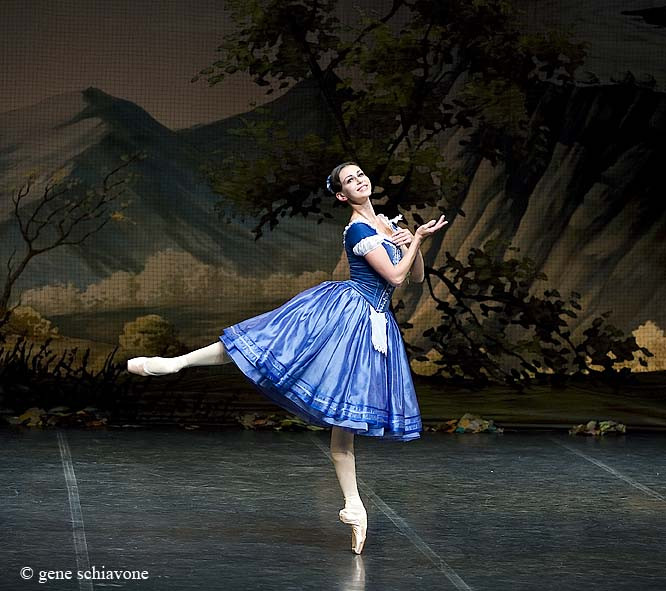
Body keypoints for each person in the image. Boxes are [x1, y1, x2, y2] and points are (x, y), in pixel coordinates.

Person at [127, 162, 448, 554]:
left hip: (373, 328)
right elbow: (394, 278)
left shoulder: (381, 222)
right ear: (342, 195)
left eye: (360, 174)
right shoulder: (360, 230)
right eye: (350, 180)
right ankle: (178, 362)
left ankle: (354, 506)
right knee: (265, 345)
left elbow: (413, 277)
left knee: (344, 422)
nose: (360, 180)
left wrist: (408, 244)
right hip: (345, 314)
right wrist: (413, 239)